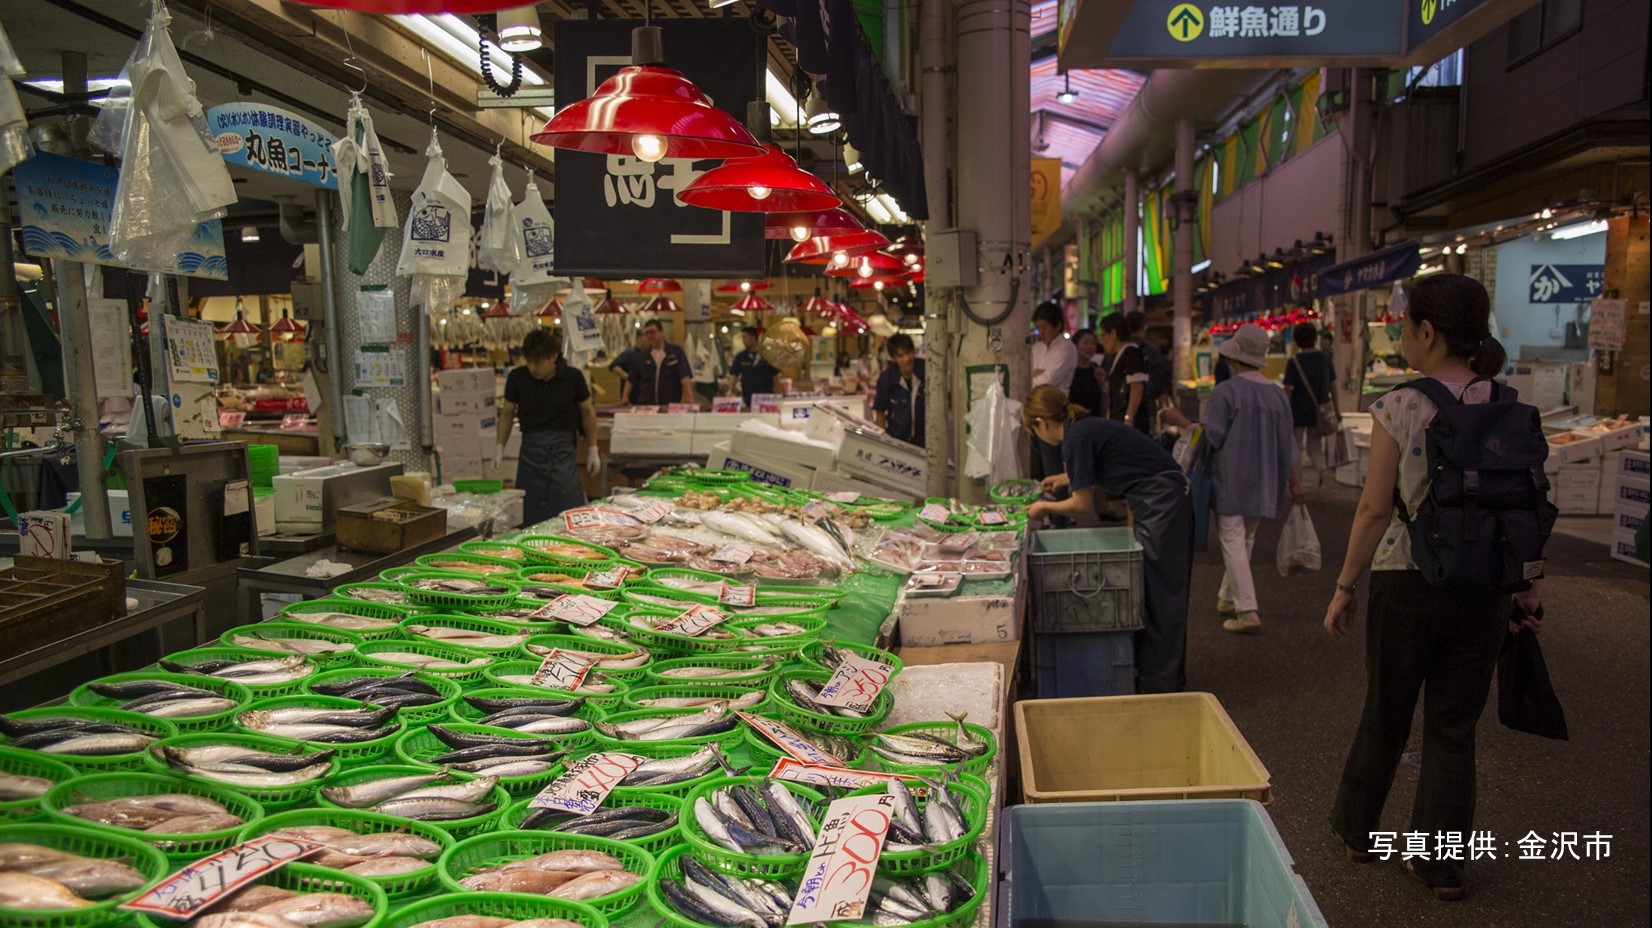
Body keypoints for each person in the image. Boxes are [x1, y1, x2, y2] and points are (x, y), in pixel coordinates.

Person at [1324, 274, 1540, 902]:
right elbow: (1524, 508)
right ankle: (1440, 865)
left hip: (1407, 580)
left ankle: (1357, 831)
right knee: (1453, 730)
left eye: (1404, 326)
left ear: (1427, 331)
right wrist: (1527, 592)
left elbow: (1371, 510)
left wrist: (1343, 586)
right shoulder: (1507, 403)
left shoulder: (1402, 405)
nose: (1400, 336)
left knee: (1386, 713)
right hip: (1486, 587)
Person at [1024, 385, 1193, 693]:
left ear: (1041, 422)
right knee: (1156, 591)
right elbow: (1107, 463)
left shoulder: (1074, 437)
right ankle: (1159, 679)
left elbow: (1082, 504)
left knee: (1161, 594)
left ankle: (1162, 686)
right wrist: (1065, 478)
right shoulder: (1081, 428)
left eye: (1034, 432)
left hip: (1162, 502)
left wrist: (1044, 507)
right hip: (1161, 498)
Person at [1202, 323, 1305, 634]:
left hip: (1231, 478)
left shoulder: (1225, 392)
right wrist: (1295, 482)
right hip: (1267, 482)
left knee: (1232, 540)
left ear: (1233, 358)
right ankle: (1227, 597)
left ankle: (1247, 609)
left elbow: (1214, 437)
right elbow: (1289, 446)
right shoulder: (1277, 396)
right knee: (1245, 539)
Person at [497, 328, 599, 526]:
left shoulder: (573, 377)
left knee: (568, 509)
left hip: (563, 449)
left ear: (553, 357)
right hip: (531, 449)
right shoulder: (518, 378)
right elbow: (507, 413)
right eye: (529, 361)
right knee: (530, 510)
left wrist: (593, 448)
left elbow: (588, 412)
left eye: (539, 361)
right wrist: (499, 446)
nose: (533, 368)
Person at [1030, 301, 1077, 483]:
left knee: (1052, 463)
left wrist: (1037, 375)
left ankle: (1059, 509)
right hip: (1034, 410)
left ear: (1057, 325)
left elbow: (1048, 380)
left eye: (1045, 327)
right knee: (1035, 463)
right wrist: (1035, 376)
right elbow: (1027, 378)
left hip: (1054, 411)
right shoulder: (1036, 348)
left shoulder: (1066, 348)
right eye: (1038, 328)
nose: (1041, 333)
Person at [1282, 322, 1337, 477]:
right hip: (1320, 409)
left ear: (1296, 340)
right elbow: (1334, 386)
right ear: (1315, 338)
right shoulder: (1325, 358)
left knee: (1296, 446)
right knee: (1315, 446)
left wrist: (1284, 412)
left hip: (1297, 411)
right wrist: (1337, 410)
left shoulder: (1294, 361)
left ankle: (1297, 480)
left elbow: (1288, 389)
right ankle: (1323, 472)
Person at [1098, 314, 1152, 432]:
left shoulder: (1131, 353)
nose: (1102, 341)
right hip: (1119, 419)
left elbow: (1136, 387)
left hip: (1130, 423)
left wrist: (1129, 419)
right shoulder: (1121, 354)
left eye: (1103, 335)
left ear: (1113, 333)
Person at [625, 319, 694, 407]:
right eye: (647, 333)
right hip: (647, 406)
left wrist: (689, 396)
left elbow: (684, 376)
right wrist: (625, 397)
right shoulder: (642, 356)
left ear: (662, 332)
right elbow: (631, 379)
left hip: (670, 405)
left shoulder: (676, 352)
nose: (650, 335)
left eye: (653, 332)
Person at [872, 333, 925, 446]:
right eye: (901, 356)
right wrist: (881, 442)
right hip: (898, 442)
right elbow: (880, 412)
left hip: (925, 441)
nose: (906, 359)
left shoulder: (926, 371)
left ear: (913, 351)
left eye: (908, 353)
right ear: (894, 358)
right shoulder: (886, 379)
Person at [729, 326, 775, 411]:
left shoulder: (767, 355)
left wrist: (780, 394)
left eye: (745, 337)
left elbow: (775, 376)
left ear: (753, 338)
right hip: (748, 397)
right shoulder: (741, 357)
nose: (743, 341)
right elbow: (734, 375)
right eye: (742, 338)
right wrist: (730, 392)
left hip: (766, 398)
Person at [1068, 328, 1105, 417]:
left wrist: (1102, 381)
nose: (1091, 347)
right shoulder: (1069, 369)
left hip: (1095, 419)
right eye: (1086, 343)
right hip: (1076, 420)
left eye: (1093, 343)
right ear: (1075, 346)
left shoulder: (1095, 368)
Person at [608, 330, 646, 405]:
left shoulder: (647, 354)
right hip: (632, 395)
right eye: (646, 336)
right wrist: (629, 378)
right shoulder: (630, 353)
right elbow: (613, 367)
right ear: (639, 338)